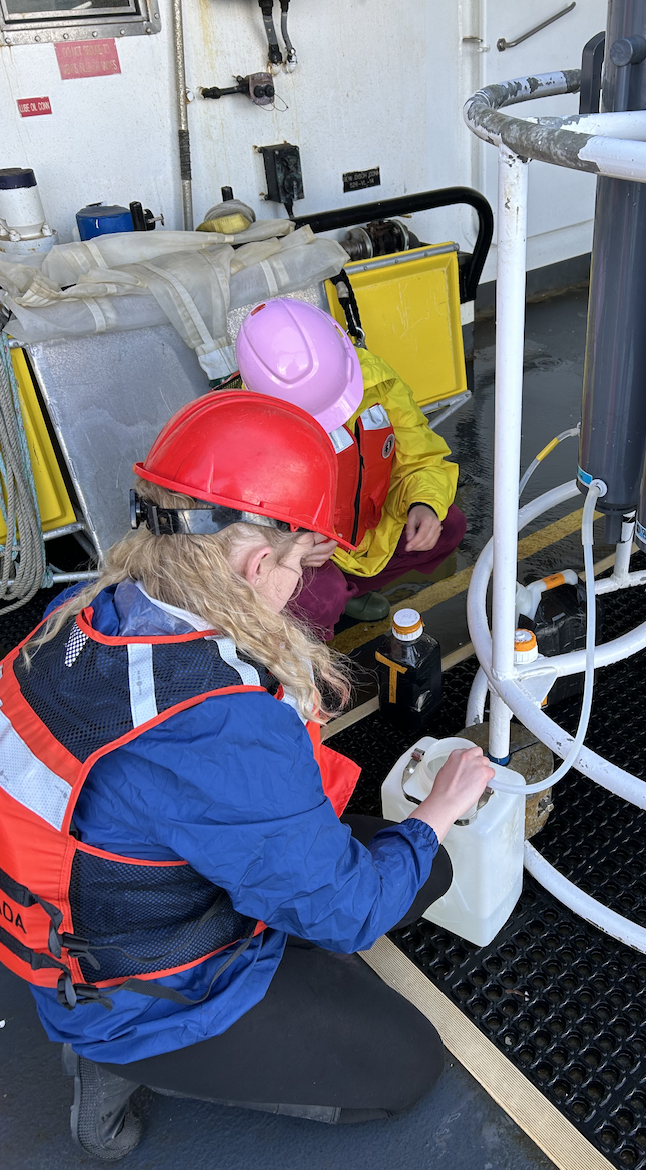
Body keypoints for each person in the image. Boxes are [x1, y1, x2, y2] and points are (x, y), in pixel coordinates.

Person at [0, 391, 494, 1159]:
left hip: (111, 915)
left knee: (415, 871)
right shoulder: (214, 722)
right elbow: (347, 911)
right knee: (405, 1063)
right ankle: (122, 1064)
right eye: (301, 564)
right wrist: (440, 807)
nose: (301, 585)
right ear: (260, 562)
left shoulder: (84, 610)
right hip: (138, 992)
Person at [235, 297, 467, 639]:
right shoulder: (241, 429)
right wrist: (296, 546)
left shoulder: (379, 381)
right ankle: (329, 607)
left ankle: (349, 593)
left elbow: (419, 455)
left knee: (448, 525)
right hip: (312, 556)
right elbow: (240, 534)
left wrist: (424, 504)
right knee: (316, 601)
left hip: (369, 530)